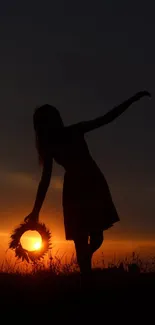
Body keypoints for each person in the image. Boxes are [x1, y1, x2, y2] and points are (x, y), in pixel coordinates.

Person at [24, 91, 151, 274]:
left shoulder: (75, 130)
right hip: (74, 189)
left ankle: (84, 260)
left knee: (97, 237)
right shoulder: (50, 148)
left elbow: (106, 118)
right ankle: (85, 277)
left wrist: (132, 99)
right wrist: (36, 210)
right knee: (79, 237)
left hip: (92, 182)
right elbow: (45, 180)